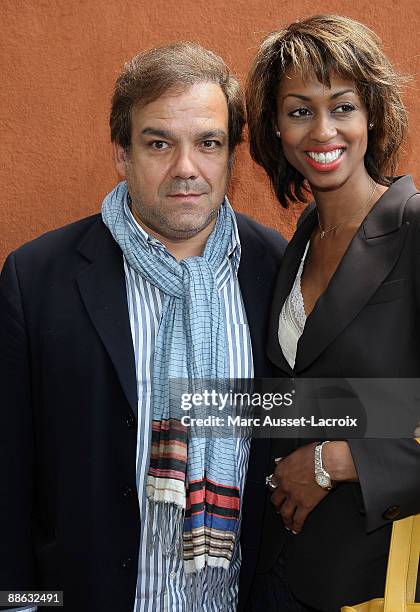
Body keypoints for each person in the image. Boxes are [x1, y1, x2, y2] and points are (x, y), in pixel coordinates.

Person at [0, 42, 286, 612]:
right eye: (159, 143)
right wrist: (22, 605)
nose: (186, 168)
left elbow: (307, 413)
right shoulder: (37, 280)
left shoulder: (275, 268)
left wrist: (352, 448)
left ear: (232, 156)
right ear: (122, 155)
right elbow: (7, 478)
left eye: (208, 143)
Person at [239, 14, 420, 612]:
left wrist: (336, 460)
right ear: (276, 130)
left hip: (372, 581)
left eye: (342, 106)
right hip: (277, 573)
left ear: (372, 114)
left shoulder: (414, 229)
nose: (322, 130)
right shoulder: (297, 244)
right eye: (298, 110)